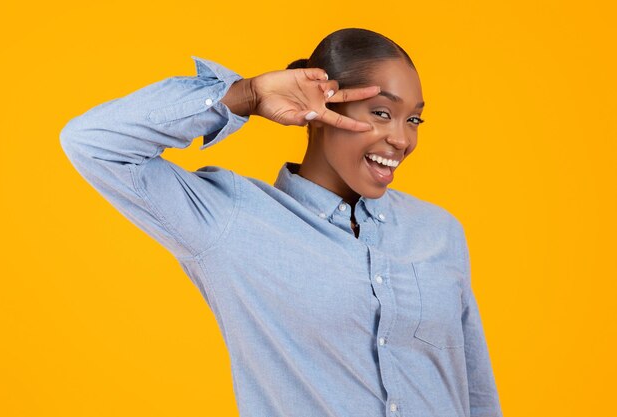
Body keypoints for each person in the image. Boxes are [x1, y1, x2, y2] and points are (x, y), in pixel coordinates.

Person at [60, 28, 503, 417]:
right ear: (320, 106)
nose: (402, 139)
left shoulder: (439, 232)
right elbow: (93, 142)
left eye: (413, 119)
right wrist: (246, 95)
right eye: (381, 113)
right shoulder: (231, 221)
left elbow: (475, 393)